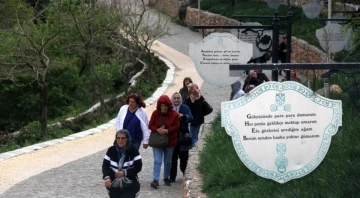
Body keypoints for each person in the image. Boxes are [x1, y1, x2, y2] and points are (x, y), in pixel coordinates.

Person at [149, 95, 180, 188]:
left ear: (168, 106)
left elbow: (177, 126)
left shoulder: (174, 114)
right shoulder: (155, 113)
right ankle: (155, 180)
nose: (163, 108)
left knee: (167, 161)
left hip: (170, 142)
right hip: (157, 141)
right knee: (157, 160)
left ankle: (166, 177)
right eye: (162, 106)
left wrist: (167, 130)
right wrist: (157, 129)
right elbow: (150, 125)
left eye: (165, 106)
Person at [102, 129, 142, 198]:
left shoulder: (133, 150)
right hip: (113, 183)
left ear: (127, 139)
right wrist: (107, 178)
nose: (120, 140)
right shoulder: (111, 150)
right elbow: (105, 166)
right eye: (118, 138)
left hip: (130, 183)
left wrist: (124, 172)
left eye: (123, 138)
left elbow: (138, 167)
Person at [169, 92, 193, 182]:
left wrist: (183, 116)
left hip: (183, 137)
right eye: (174, 98)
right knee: (172, 158)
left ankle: (184, 174)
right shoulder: (169, 108)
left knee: (184, 158)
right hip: (172, 137)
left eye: (178, 98)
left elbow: (191, 118)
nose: (176, 100)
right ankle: (172, 177)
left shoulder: (185, 108)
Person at [184, 83, 208, 148]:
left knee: (193, 136)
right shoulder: (200, 97)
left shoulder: (190, 99)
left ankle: (193, 149)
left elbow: (185, 106)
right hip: (200, 120)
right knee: (195, 135)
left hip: (194, 121)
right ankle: (194, 147)